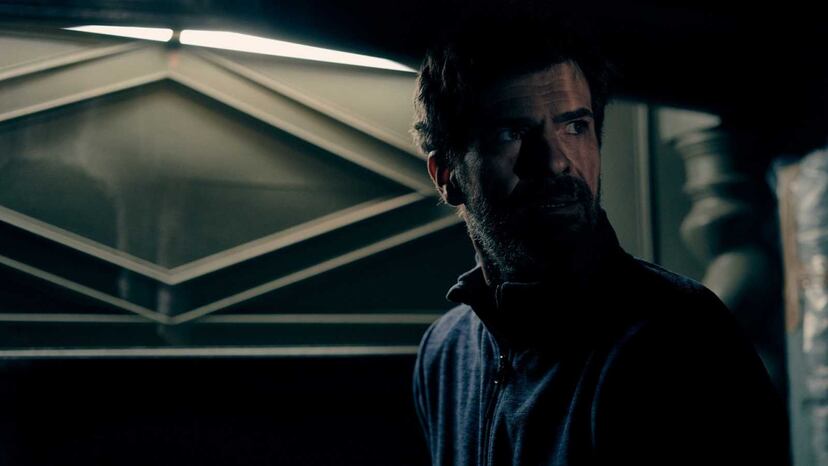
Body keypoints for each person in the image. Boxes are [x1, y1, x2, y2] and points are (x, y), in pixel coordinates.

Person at [410, 12, 789, 466]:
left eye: (575, 127)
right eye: (512, 133)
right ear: (446, 175)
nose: (555, 161)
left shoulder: (680, 336)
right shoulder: (445, 352)